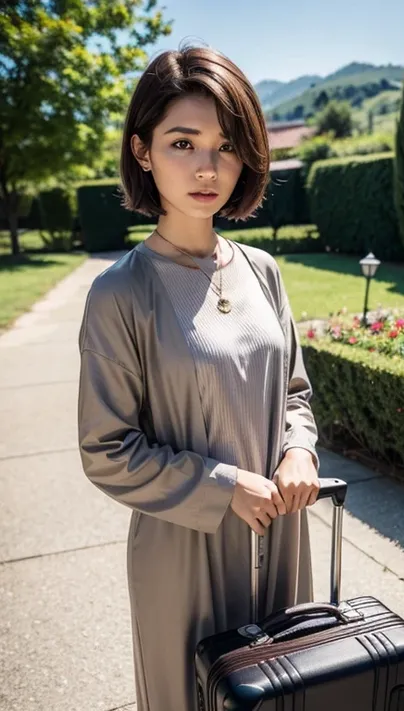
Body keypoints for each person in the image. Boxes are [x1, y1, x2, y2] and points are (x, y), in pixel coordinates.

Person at [77, 43, 320, 711]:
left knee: (285, 694)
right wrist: (221, 486)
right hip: (182, 556)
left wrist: (298, 447)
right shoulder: (119, 294)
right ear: (143, 150)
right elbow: (105, 449)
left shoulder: (263, 270)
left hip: (281, 540)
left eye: (225, 145)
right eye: (183, 142)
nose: (207, 166)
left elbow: (295, 392)